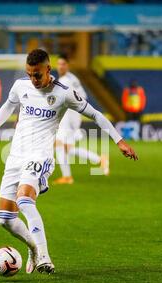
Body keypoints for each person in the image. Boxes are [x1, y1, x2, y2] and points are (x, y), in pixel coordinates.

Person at [0, 49, 138, 274]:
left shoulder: (64, 93)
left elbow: (95, 114)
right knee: (5, 219)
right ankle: (33, 248)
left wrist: (119, 140)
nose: (33, 79)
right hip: (16, 155)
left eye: (37, 75)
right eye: (29, 74)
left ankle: (44, 256)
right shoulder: (20, 86)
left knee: (25, 200)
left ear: (48, 69)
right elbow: (8, 106)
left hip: (40, 155)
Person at [53, 54, 109, 185]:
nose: (61, 66)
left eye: (63, 64)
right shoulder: (72, 78)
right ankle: (99, 159)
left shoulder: (66, 80)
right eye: (59, 64)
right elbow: (83, 96)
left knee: (59, 146)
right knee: (66, 148)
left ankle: (67, 177)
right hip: (70, 116)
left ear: (68, 65)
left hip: (68, 117)